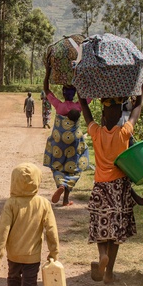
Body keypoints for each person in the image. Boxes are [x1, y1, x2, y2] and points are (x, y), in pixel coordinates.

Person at [78, 85, 143, 284]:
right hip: (119, 188)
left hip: (100, 186)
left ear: (103, 116)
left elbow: (86, 113)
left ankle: (101, 255)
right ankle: (108, 274)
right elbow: (137, 108)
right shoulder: (124, 133)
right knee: (116, 230)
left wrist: (82, 94)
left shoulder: (96, 132)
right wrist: (141, 85)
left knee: (100, 224)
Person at [0, 162, 60, 286]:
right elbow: (51, 231)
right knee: (30, 285)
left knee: (14, 281)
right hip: (32, 257)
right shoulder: (43, 203)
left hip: (14, 255)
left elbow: (2, 233)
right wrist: (54, 253)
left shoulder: (11, 203)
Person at [42, 65, 89, 207]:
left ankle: (60, 185)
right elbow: (89, 96)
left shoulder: (59, 106)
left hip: (59, 141)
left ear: (63, 93)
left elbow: (46, 90)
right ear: (75, 94)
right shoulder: (79, 106)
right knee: (74, 166)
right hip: (74, 142)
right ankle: (66, 198)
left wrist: (48, 72)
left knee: (57, 165)